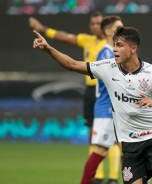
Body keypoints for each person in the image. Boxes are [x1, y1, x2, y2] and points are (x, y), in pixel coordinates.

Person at [32, 26, 152, 184]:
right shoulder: (107, 67)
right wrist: (48, 49)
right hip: (129, 142)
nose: (114, 49)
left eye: (120, 45)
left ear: (133, 48)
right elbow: (72, 64)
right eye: (114, 45)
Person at [29, 12, 120, 183]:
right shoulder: (95, 45)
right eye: (92, 23)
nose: (95, 26)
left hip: (108, 96)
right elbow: (66, 41)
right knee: (99, 140)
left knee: (116, 144)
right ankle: (99, 177)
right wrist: (44, 31)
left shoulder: (114, 48)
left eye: (97, 23)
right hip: (100, 95)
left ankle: (113, 177)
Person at [80, 15, 123, 184]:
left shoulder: (114, 51)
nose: (123, 30)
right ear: (108, 31)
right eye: (119, 27)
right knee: (101, 150)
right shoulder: (106, 53)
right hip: (107, 109)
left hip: (116, 109)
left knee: (128, 150)